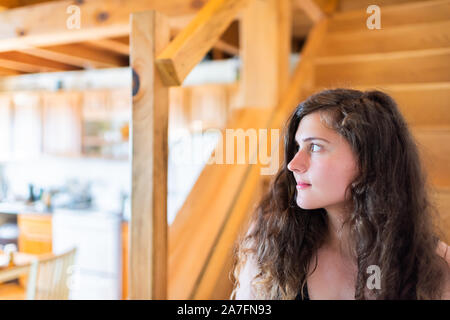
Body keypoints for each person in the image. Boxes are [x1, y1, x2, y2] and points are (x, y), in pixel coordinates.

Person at [230, 88, 450, 300]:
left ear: (368, 161)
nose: (293, 164)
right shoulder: (270, 244)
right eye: (297, 147)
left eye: (315, 147)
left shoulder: (437, 266)